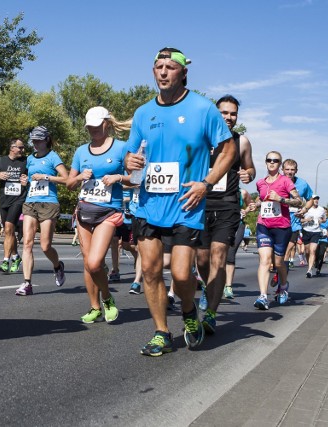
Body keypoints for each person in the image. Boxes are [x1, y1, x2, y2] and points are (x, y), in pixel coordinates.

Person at [125, 47, 236, 356]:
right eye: (158, 66)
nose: (163, 72)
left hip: (186, 203)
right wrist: (130, 161)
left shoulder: (203, 109)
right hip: (148, 203)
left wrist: (207, 183)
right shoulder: (143, 113)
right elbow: (130, 154)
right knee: (149, 269)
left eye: (169, 67)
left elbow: (228, 150)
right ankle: (161, 332)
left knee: (182, 274)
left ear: (183, 73)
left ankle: (188, 312)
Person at [196, 94, 256, 334]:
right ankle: (206, 286)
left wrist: (248, 175)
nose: (229, 118)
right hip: (201, 204)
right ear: (215, 113)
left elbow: (250, 168)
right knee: (201, 260)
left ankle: (211, 313)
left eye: (233, 114)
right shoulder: (202, 137)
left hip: (228, 205)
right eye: (224, 113)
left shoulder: (241, 142)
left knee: (219, 257)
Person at [67, 106, 131, 323]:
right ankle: (94, 307)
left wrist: (118, 178)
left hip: (108, 213)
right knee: (87, 263)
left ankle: (107, 298)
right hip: (84, 211)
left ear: (106, 124)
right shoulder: (81, 151)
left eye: (96, 126)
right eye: (89, 127)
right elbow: (68, 183)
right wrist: (78, 178)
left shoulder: (121, 148)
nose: (92, 130)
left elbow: (137, 178)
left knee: (95, 263)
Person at [14, 126, 68, 296]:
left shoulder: (53, 157)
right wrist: (25, 181)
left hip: (48, 204)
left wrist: (46, 177)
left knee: (45, 246)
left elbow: (67, 179)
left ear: (46, 140)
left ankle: (57, 266)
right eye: (34, 141)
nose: (35, 144)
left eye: (39, 140)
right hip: (30, 202)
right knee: (27, 243)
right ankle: (27, 283)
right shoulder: (30, 159)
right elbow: (29, 180)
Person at [252, 151, 303, 309]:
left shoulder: (286, 182)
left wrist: (281, 199)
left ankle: (283, 285)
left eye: (276, 160)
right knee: (265, 261)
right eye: (269, 160)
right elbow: (261, 199)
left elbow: (299, 202)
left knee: (279, 262)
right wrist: (255, 205)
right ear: (266, 162)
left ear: (280, 164)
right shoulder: (260, 183)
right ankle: (262, 296)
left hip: (282, 227)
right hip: (264, 225)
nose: (272, 162)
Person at [0, 138, 28, 273]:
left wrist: (26, 181)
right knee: (8, 232)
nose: (23, 150)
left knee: (9, 228)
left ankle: (5, 261)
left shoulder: (26, 161)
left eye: (23, 147)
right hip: (5, 199)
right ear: (12, 148)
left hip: (19, 199)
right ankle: (16, 257)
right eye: (20, 147)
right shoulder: (0, 161)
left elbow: (33, 177)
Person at [282, 159, 314, 269]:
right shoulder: (276, 181)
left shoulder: (302, 184)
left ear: (296, 171)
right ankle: (277, 266)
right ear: (282, 170)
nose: (289, 172)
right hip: (278, 220)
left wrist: (304, 210)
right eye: (287, 169)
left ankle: (282, 273)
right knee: (276, 251)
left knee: (288, 249)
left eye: (292, 169)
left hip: (294, 222)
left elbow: (311, 199)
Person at [224, 188, 253, 299]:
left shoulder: (243, 192)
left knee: (230, 254)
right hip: (218, 226)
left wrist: (246, 211)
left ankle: (228, 286)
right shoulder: (215, 189)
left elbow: (252, 204)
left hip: (237, 225)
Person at [301, 195, 326, 277]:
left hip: (316, 231)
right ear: (310, 200)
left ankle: (309, 270)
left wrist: (321, 221)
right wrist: (306, 220)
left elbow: (324, 219)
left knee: (313, 250)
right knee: (307, 251)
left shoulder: (321, 209)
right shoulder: (305, 208)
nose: (316, 200)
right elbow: (299, 219)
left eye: (317, 199)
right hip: (306, 231)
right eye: (314, 199)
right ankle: (309, 265)